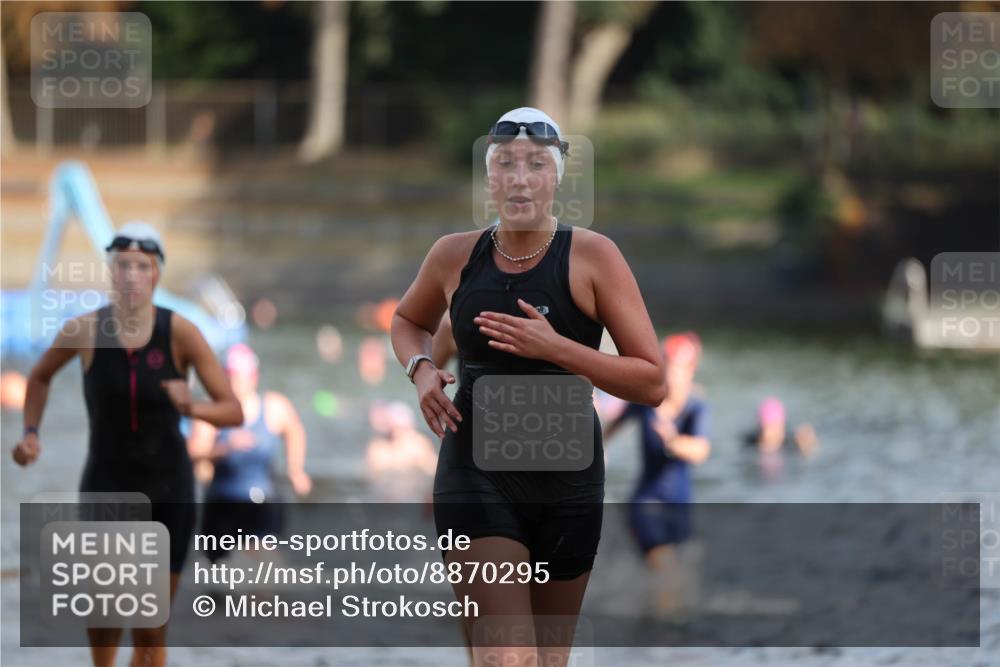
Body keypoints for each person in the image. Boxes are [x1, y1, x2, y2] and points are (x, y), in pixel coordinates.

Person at [390, 106, 667, 666]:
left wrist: (558, 349)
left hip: (568, 482)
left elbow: (653, 381)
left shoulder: (593, 255)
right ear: (488, 178)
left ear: (556, 177)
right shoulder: (453, 255)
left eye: (536, 164)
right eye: (506, 165)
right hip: (475, 475)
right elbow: (407, 322)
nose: (519, 178)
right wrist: (421, 370)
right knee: (507, 659)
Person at [11, 221, 243, 667]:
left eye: (142, 266)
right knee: (106, 628)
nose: (132, 275)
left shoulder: (181, 333)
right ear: (111, 272)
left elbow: (233, 410)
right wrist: (31, 434)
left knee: (151, 636)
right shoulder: (84, 330)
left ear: (156, 274)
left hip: (169, 493)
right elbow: (38, 377)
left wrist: (192, 407)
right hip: (107, 489)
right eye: (122, 266)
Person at [603, 332, 711, 616]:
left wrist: (674, 442)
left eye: (678, 368)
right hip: (645, 501)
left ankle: (655, 615)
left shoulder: (696, 407)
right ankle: (663, 632)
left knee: (673, 571)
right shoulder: (645, 400)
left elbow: (701, 450)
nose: (672, 375)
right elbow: (608, 432)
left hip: (679, 505)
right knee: (664, 565)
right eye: (667, 366)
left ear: (691, 370)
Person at [188, 342, 311, 564]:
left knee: (264, 573)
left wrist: (296, 469)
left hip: (262, 502)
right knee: (219, 582)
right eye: (231, 377)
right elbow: (194, 451)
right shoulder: (212, 410)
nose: (236, 383)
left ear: (253, 377)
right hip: (223, 504)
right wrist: (226, 448)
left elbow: (295, 431)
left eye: (241, 377)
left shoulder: (274, 406)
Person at [365, 399, 438, 501]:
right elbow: (370, 475)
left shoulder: (418, 445)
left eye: (400, 428)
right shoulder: (378, 447)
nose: (396, 432)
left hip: (412, 490)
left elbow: (433, 471)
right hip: (386, 492)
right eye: (393, 428)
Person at [742, 396, 819, 480]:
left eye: (777, 427)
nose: (773, 433)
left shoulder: (790, 445)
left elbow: (807, 464)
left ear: (782, 427)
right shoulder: (751, 444)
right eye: (769, 427)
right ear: (761, 428)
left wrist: (808, 445)